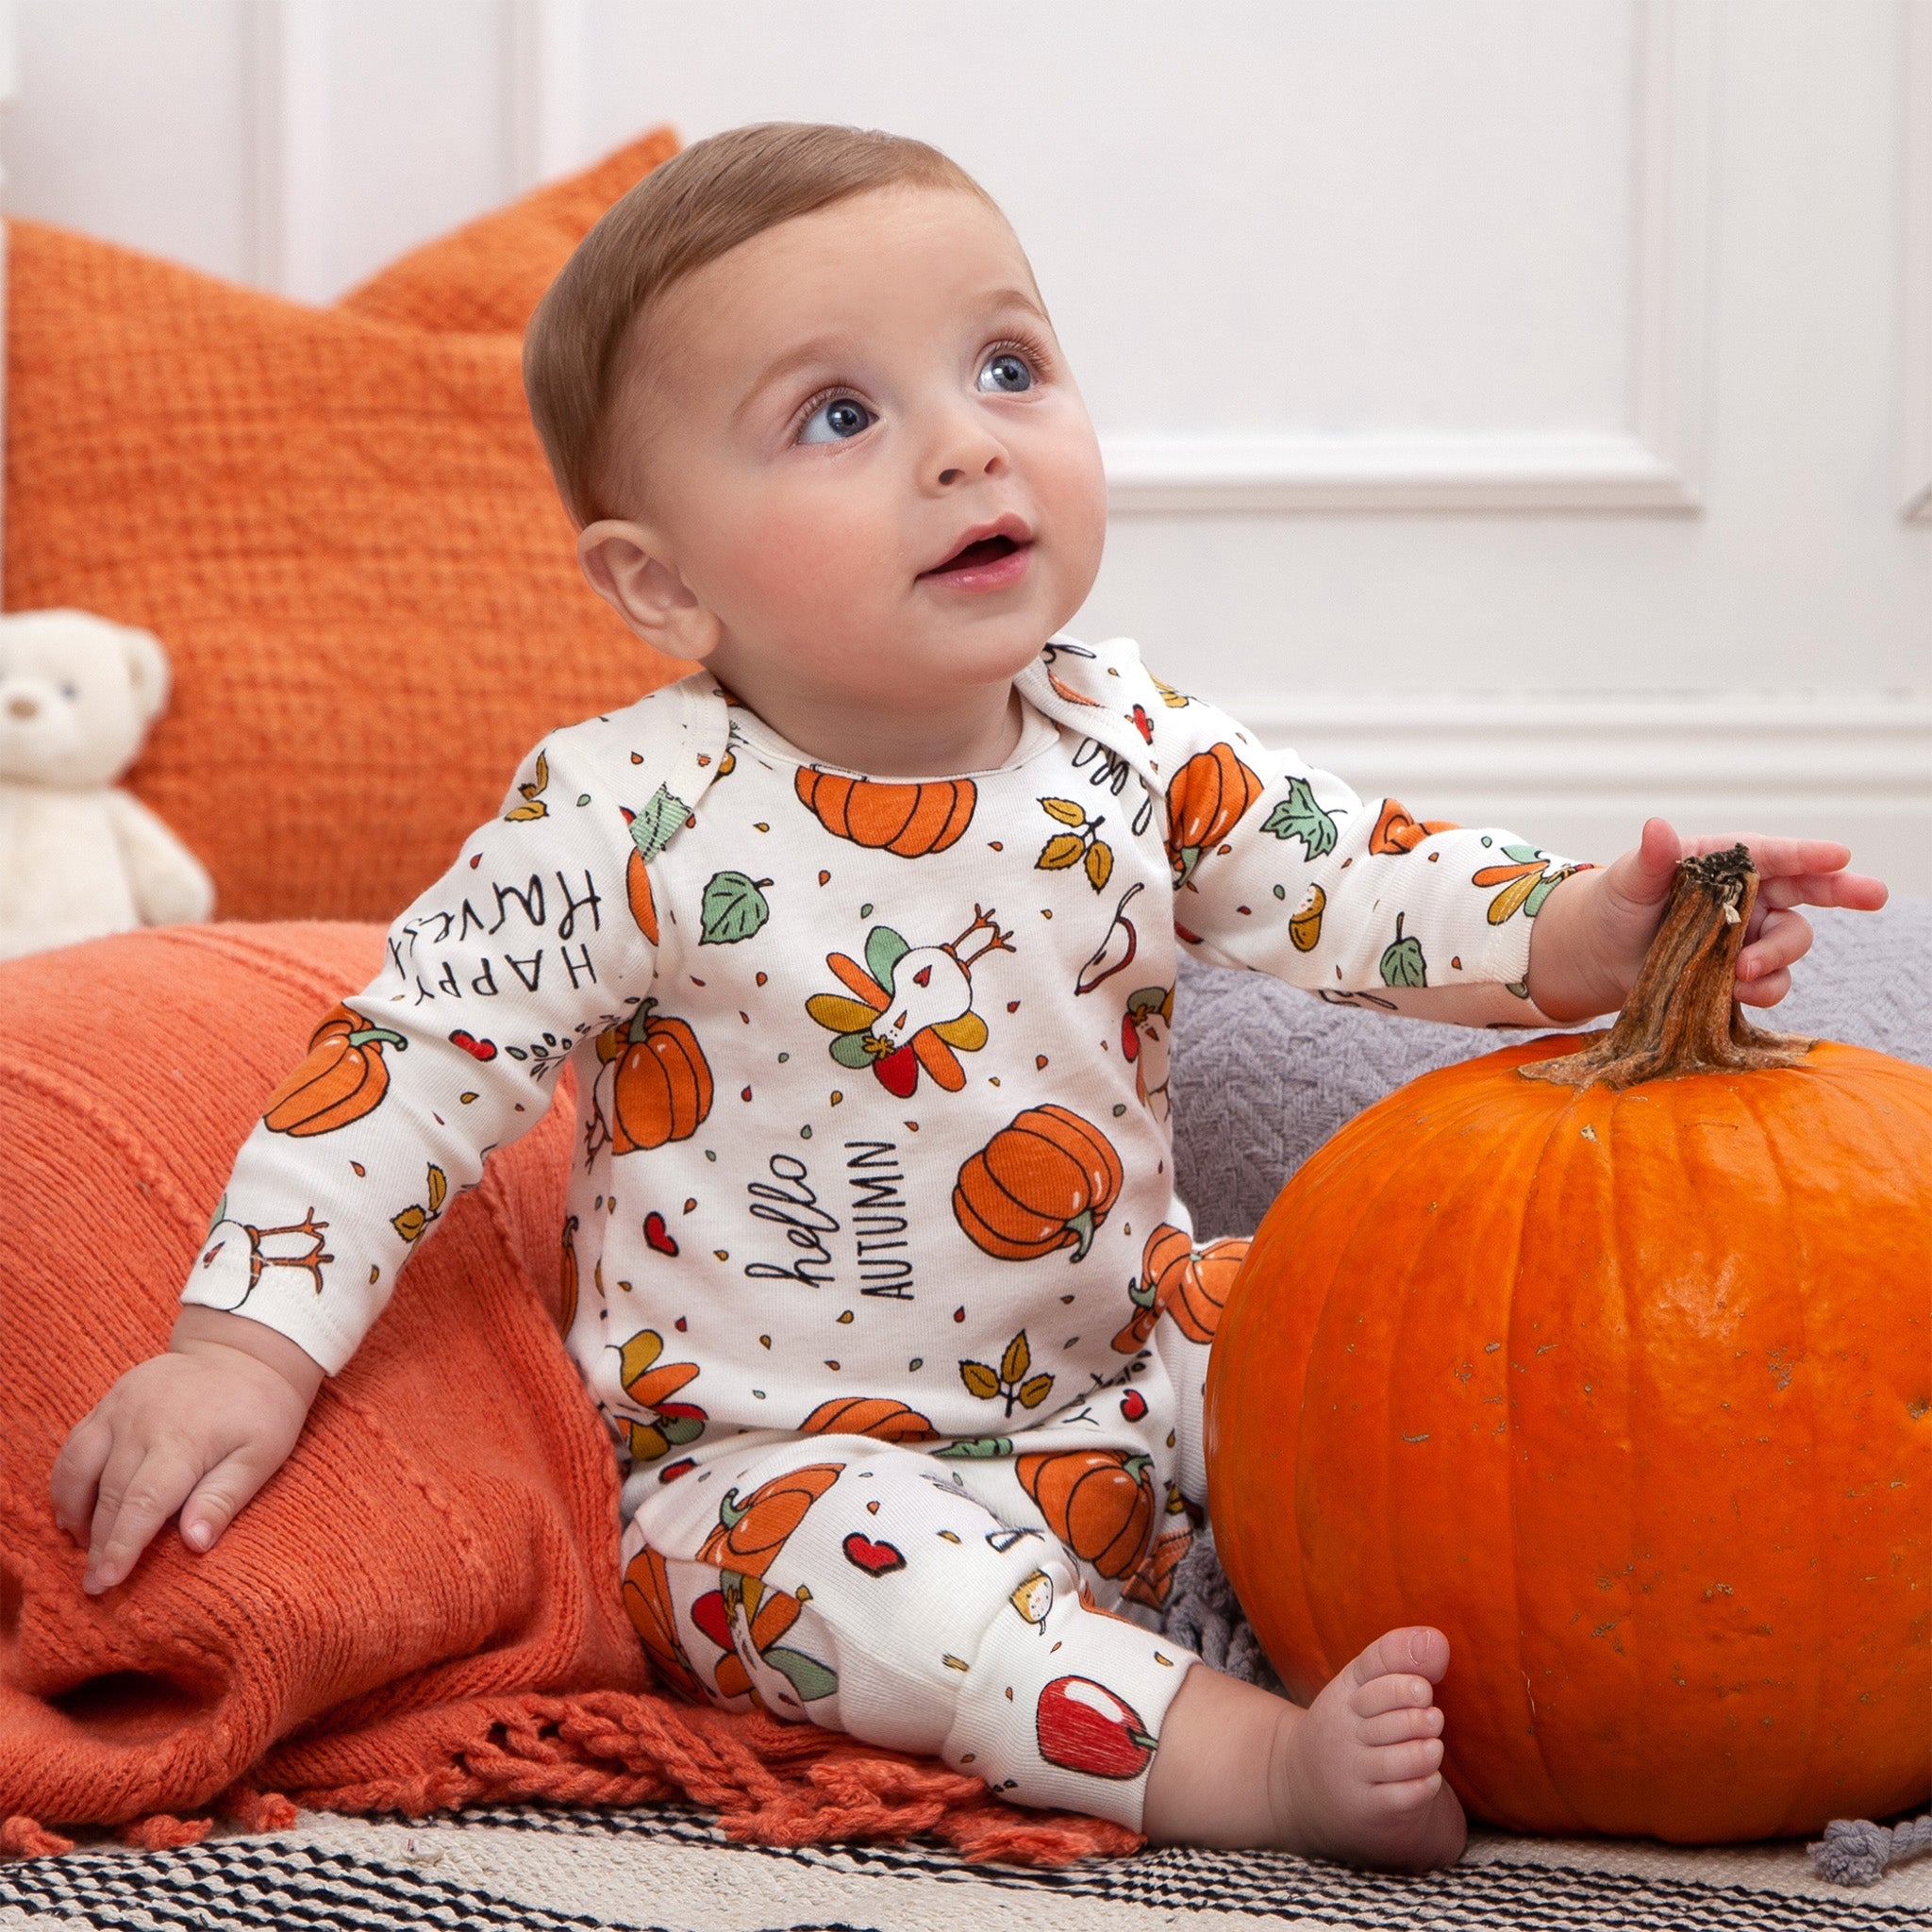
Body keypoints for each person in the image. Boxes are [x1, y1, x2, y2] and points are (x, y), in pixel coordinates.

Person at [49, 123, 1885, 1871]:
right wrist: (241, 1345)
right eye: (840, 414)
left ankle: (1662, 1654)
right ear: (657, 580)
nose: (963, 449)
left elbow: (1356, 878)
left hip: (1143, 1401)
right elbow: (411, 1056)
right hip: (784, 1469)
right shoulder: (625, 813)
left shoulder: (1126, 736)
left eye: (1005, 367)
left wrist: (1580, 927)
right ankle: (1237, 1760)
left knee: (1386, 1360)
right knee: (840, 1582)